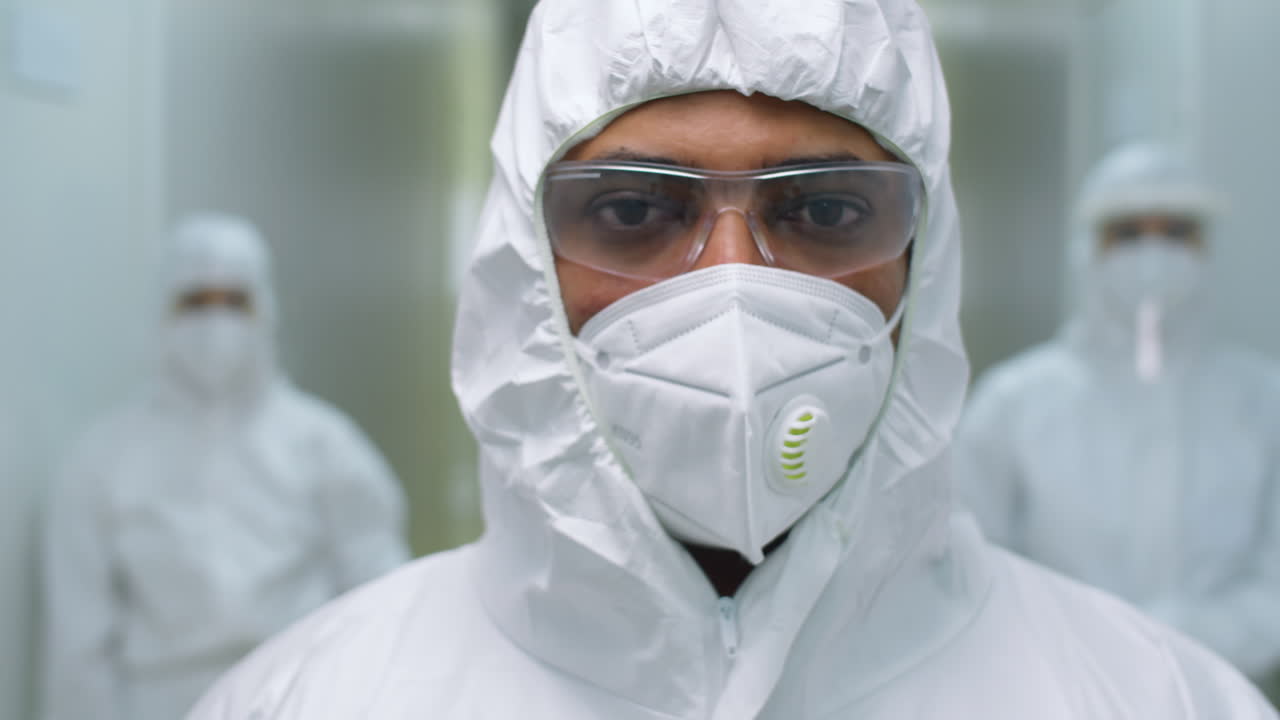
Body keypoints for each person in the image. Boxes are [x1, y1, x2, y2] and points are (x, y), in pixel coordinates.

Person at [190, 2, 1276, 718]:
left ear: (924, 257)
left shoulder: (1153, 698)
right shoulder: (311, 700)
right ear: (518, 259)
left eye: (824, 208)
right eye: (628, 210)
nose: (730, 288)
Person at [42, 214, 411, 720]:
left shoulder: (325, 445)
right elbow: (79, 652)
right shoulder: (102, 461)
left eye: (234, 302)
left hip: (302, 698)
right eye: (195, 302)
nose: (216, 323)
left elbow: (385, 601)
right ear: (162, 311)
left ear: (266, 308)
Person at [955, 142, 1280, 683]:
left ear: (1207, 246)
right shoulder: (1013, 404)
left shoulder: (1264, 399)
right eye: (1128, 234)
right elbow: (968, 570)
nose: (1153, 254)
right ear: (1088, 248)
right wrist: (1084, 648)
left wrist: (1185, 641)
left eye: (1176, 232)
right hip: (1054, 692)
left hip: (1217, 694)